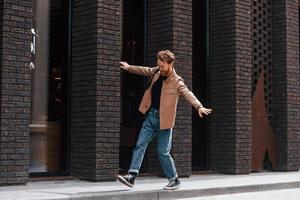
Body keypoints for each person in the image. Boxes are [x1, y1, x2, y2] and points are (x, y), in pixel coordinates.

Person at [117, 50, 212, 190]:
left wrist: (199, 106)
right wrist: (129, 67)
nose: (160, 68)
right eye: (159, 65)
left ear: (170, 64)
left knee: (163, 152)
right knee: (140, 145)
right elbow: (145, 70)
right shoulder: (156, 72)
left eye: (162, 66)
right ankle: (131, 176)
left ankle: (174, 180)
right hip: (151, 118)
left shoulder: (177, 81)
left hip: (165, 122)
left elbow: (187, 93)